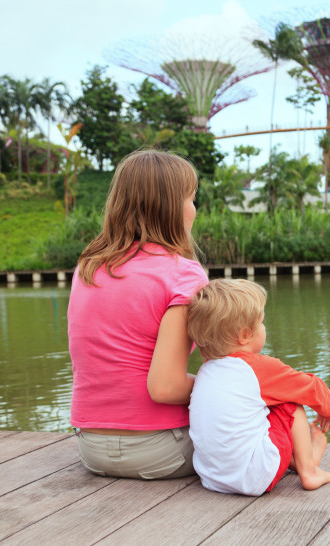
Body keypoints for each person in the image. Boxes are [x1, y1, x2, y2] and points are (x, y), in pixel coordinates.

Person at [68, 149, 208, 479]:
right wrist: (231, 385)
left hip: (91, 449)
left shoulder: (88, 268)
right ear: (172, 209)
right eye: (191, 198)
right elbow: (166, 387)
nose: (194, 209)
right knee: (266, 407)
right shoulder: (183, 275)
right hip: (162, 450)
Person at [186, 278, 330, 495]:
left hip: (212, 478)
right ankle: (309, 470)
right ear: (244, 335)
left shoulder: (206, 370)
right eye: (261, 323)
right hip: (255, 476)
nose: (264, 327)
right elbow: (309, 387)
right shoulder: (256, 367)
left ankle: (300, 461)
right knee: (290, 402)